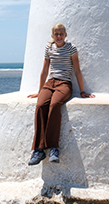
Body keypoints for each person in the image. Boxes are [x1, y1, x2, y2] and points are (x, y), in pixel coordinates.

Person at [26, 23, 94, 165]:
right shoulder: (49, 49)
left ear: (65, 35)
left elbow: (77, 71)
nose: (59, 36)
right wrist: (40, 91)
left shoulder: (71, 48)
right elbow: (44, 71)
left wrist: (82, 91)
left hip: (64, 84)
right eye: (56, 34)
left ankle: (53, 148)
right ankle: (38, 150)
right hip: (50, 83)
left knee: (55, 105)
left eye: (61, 33)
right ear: (52, 36)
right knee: (40, 106)